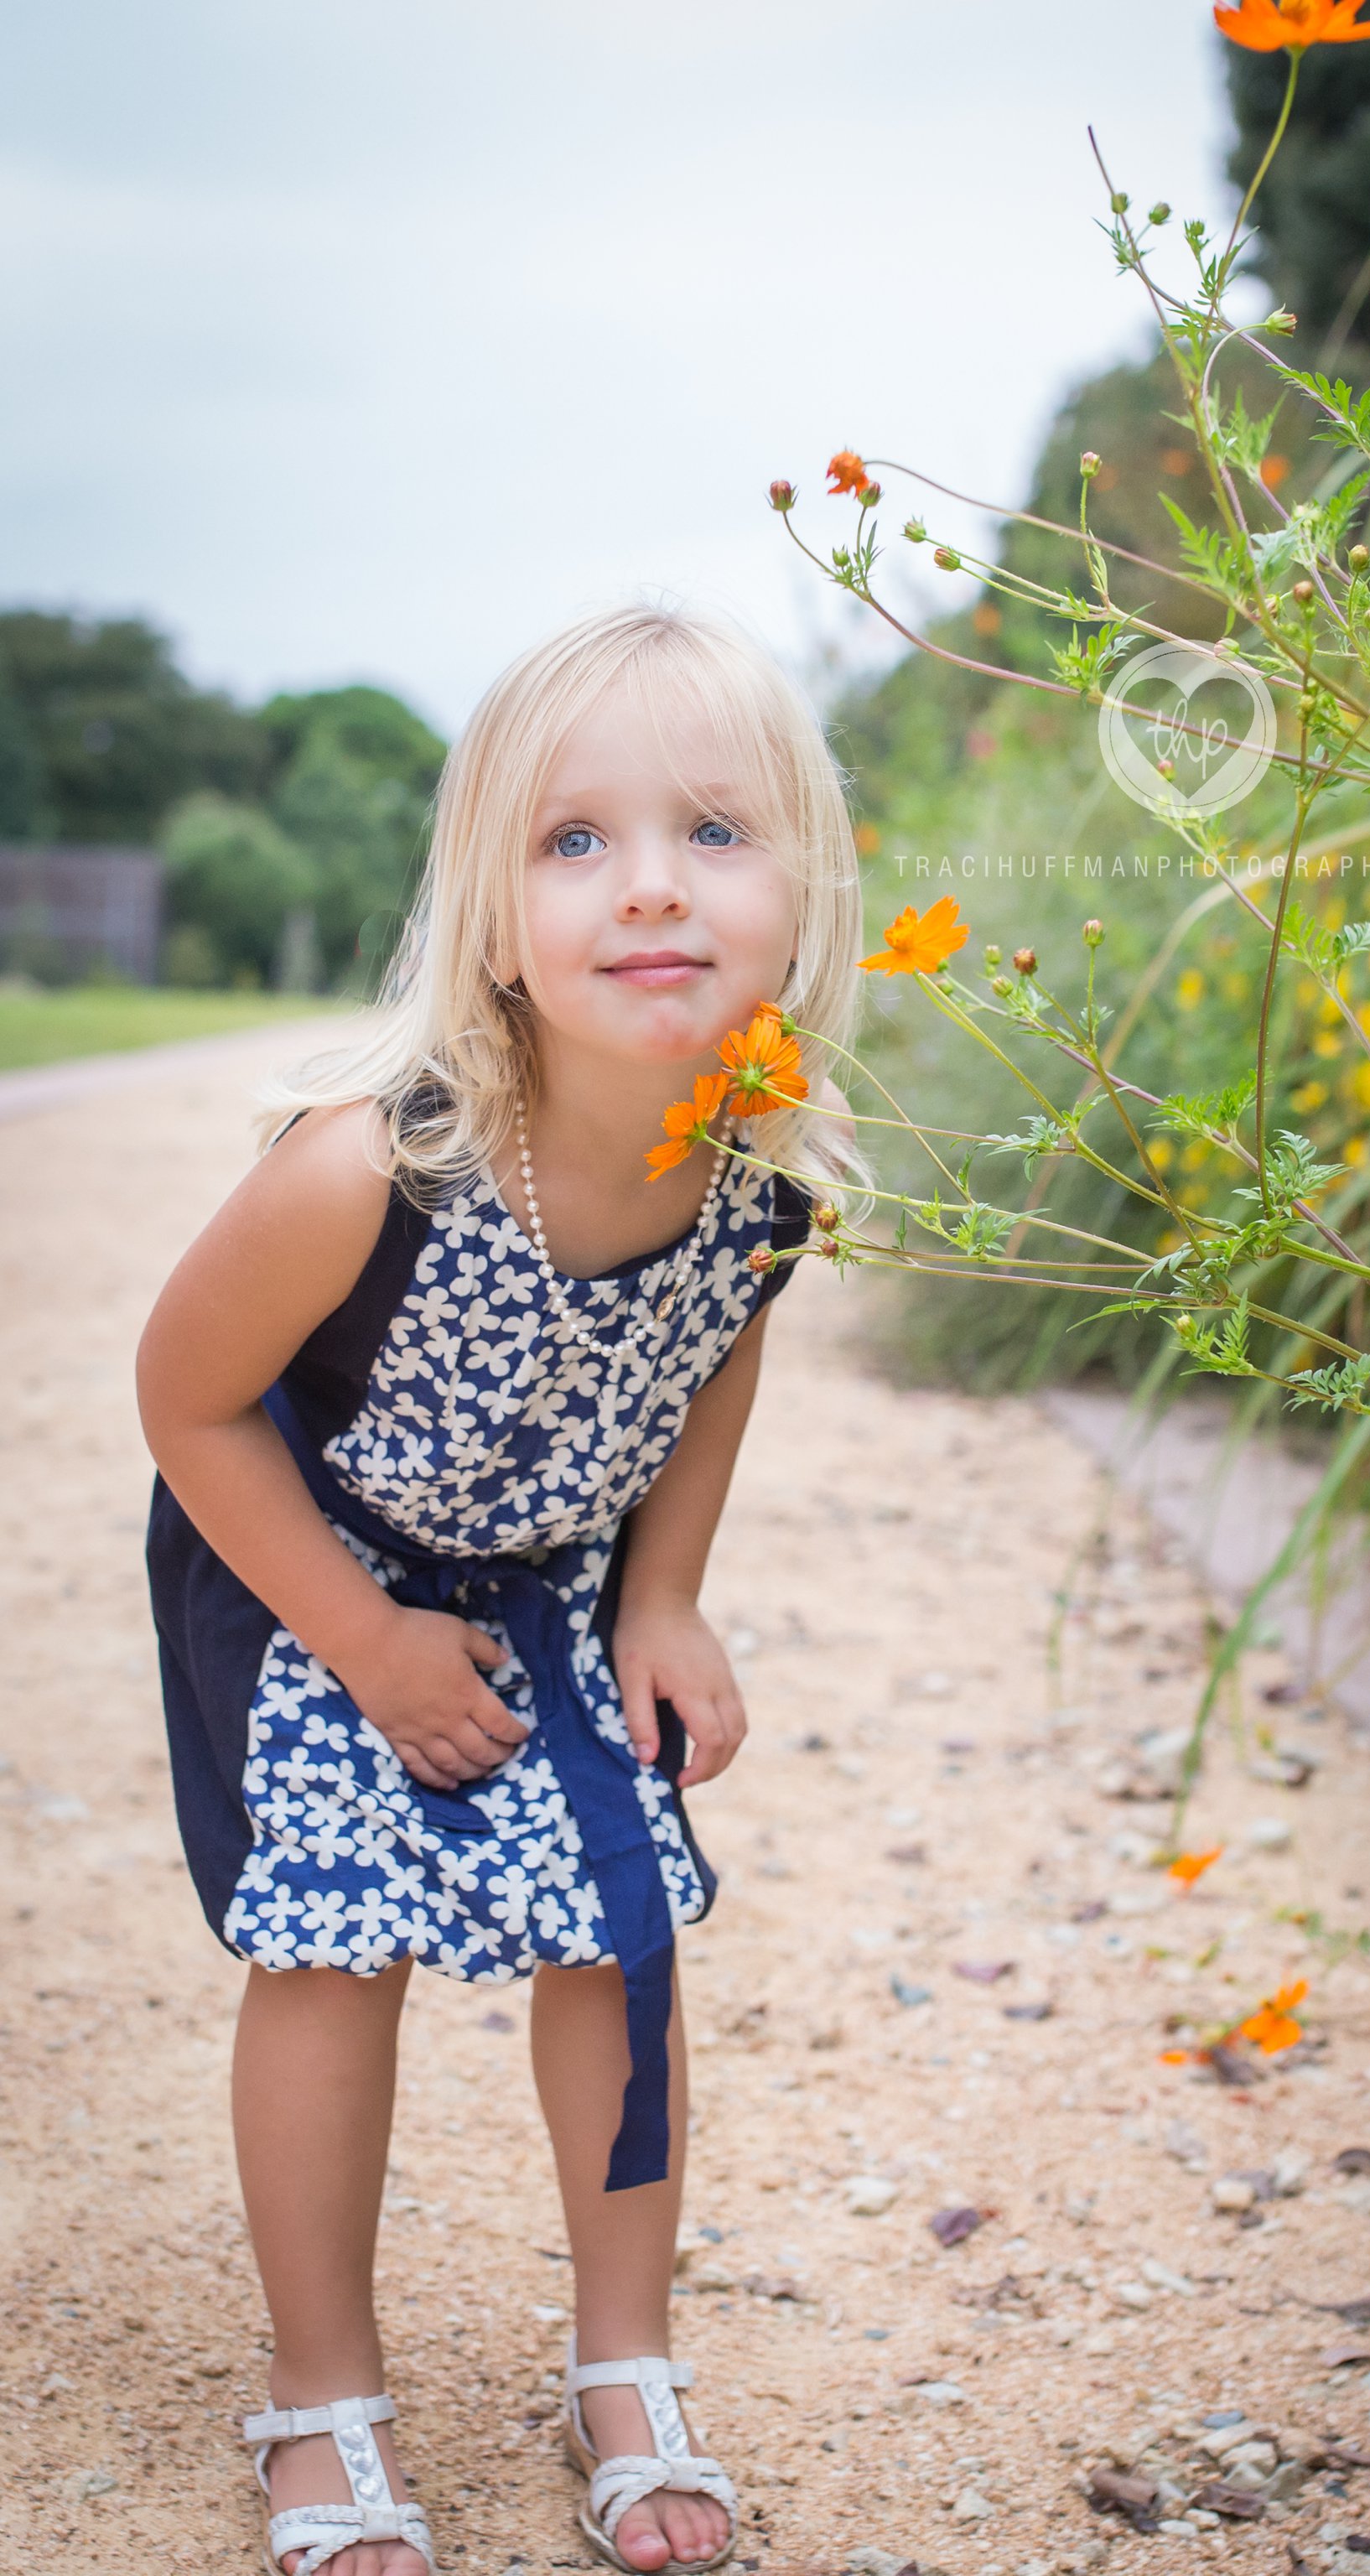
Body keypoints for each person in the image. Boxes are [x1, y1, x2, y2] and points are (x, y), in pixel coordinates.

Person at [135, 603, 862, 2576]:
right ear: (487, 916)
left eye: (717, 832)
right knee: (333, 1939)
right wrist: (361, 1644)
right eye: (574, 842)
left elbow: (717, 1354)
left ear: (808, 894)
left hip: (552, 1567)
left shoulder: (757, 1179)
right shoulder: (370, 1171)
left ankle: (622, 2359)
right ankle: (322, 2387)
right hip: (304, 1552)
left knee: (620, 1927)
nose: (648, 886)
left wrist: (667, 1599)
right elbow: (185, 1402)